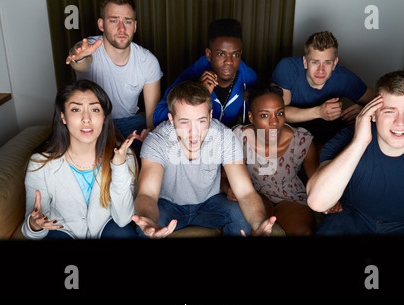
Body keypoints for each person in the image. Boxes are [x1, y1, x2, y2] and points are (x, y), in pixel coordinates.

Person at [306, 71, 404, 236]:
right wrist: (359, 142)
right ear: (373, 113)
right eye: (389, 111)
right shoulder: (348, 137)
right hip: (351, 218)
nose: (400, 122)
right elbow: (318, 202)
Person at [132, 81, 276, 238]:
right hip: (168, 205)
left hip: (209, 202)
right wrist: (149, 221)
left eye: (201, 121)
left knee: (240, 215)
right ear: (171, 119)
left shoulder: (224, 136)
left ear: (210, 116)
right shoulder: (157, 140)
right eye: (184, 122)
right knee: (148, 229)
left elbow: (246, 193)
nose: (193, 131)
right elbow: (147, 194)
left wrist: (259, 224)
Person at [22, 80, 138, 240]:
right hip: (63, 230)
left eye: (95, 109)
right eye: (76, 109)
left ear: (104, 117)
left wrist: (119, 166)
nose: (86, 119)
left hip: (107, 227)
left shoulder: (123, 155)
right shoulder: (41, 162)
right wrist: (34, 225)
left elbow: (124, 218)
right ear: (63, 117)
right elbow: (33, 227)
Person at [66, 0, 163, 156]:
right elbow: (81, 63)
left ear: (135, 26)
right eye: (113, 20)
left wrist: (149, 141)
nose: (121, 28)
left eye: (127, 21)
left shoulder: (148, 61)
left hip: (129, 122)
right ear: (101, 24)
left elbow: (152, 117)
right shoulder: (89, 48)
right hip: (94, 122)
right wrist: (78, 57)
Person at [222, 85, 320, 235]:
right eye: (265, 115)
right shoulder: (237, 138)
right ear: (251, 117)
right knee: (256, 229)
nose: (274, 122)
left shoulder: (301, 141)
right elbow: (222, 177)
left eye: (279, 113)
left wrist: (331, 201)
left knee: (304, 232)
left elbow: (317, 181)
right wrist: (228, 188)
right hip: (254, 196)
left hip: (290, 198)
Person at [271, 31, 376, 146]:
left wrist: (365, 111)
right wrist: (319, 112)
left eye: (327, 63)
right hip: (289, 134)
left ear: (335, 64)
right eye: (315, 62)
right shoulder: (287, 68)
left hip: (326, 136)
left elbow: (383, 101)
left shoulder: (344, 78)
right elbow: (278, 113)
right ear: (305, 62)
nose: (320, 70)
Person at [152, 18, 257, 129]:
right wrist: (196, 95)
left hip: (230, 137)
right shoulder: (193, 74)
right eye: (221, 54)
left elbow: (259, 120)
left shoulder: (249, 78)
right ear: (208, 54)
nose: (229, 62)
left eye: (235, 54)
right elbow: (158, 117)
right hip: (197, 136)